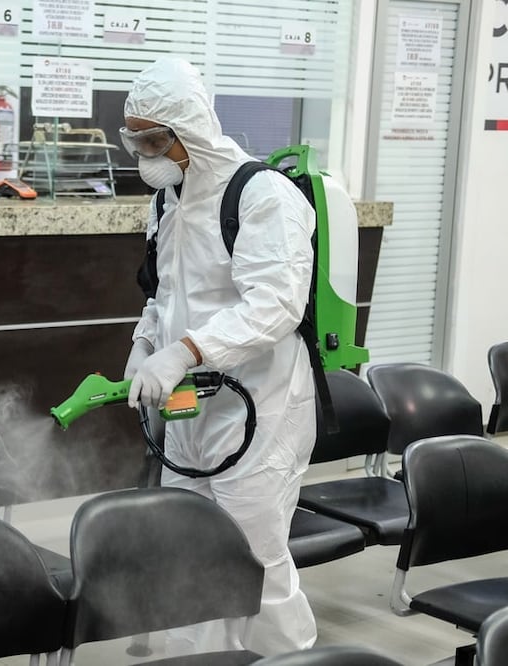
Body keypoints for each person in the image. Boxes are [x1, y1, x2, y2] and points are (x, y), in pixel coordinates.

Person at [121, 57, 318, 656]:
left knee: (253, 555)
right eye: (135, 141)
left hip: (260, 403)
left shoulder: (262, 197)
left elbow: (276, 307)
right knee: (192, 547)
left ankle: (290, 658)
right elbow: (167, 290)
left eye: (154, 140)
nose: (144, 155)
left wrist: (183, 351)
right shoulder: (170, 199)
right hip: (191, 404)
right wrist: (146, 342)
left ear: (191, 131)